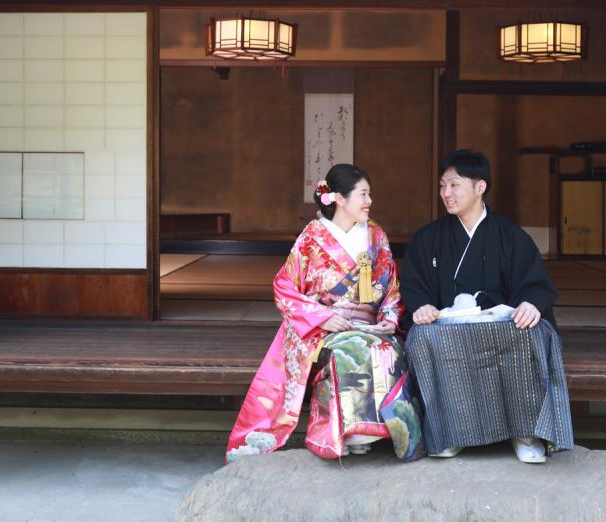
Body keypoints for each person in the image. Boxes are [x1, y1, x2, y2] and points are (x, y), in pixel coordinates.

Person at [226, 164, 422, 463]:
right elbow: (284, 287)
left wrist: (390, 318)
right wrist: (322, 317)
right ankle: (344, 433)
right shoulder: (312, 238)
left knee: (388, 349)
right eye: (363, 194)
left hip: (369, 325)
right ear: (340, 199)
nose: (369, 201)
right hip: (323, 327)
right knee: (352, 349)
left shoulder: (375, 235)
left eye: (369, 194)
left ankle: (375, 431)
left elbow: (391, 286)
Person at [401, 149, 574, 462]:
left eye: (454, 185)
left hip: (501, 328)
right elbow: (413, 285)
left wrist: (532, 305)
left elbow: (535, 284)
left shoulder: (510, 237)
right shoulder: (429, 239)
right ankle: (452, 432)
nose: (446, 193)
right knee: (420, 337)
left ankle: (525, 431)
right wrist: (422, 305)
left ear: (480, 187)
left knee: (532, 331)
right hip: (449, 329)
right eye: (442, 186)